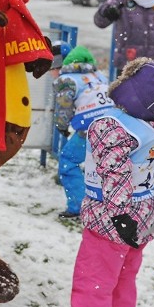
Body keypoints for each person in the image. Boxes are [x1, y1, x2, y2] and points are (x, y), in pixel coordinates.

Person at [45, 58, 154, 307]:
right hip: (143, 215)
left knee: (93, 285)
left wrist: (118, 214)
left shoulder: (112, 127)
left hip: (112, 221)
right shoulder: (151, 128)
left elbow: (115, 174)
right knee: (122, 282)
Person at [52, 45, 114, 219]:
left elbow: (64, 109)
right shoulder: (99, 75)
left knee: (68, 161)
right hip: (112, 125)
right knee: (104, 165)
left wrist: (61, 127)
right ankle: (108, 203)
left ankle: (77, 207)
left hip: (89, 128)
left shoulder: (67, 80)